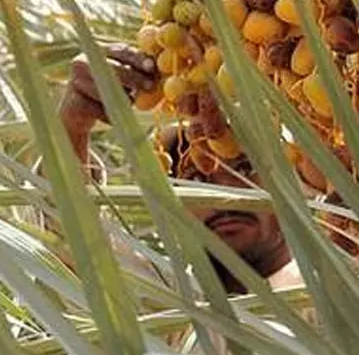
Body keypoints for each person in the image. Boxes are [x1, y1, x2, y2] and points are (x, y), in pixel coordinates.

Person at [57, 46, 298, 293]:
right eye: (195, 178)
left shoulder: (332, 285)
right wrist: (71, 129)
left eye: (245, 170)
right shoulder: (166, 300)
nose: (221, 195)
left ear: (293, 183)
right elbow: (73, 243)